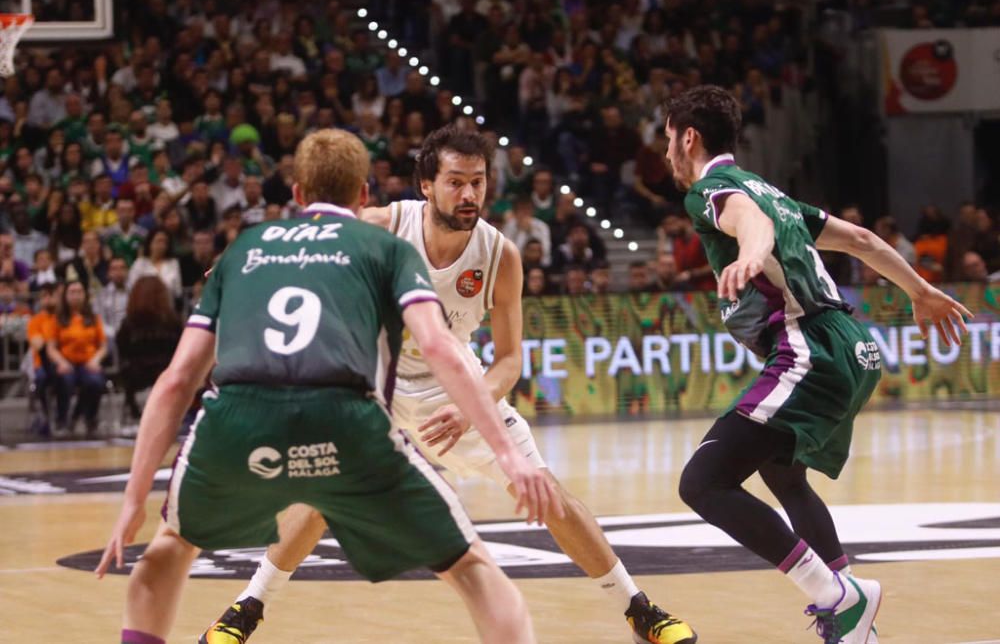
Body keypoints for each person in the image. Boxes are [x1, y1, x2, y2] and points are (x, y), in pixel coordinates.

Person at [201, 125, 696, 644]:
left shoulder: (499, 255)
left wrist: (470, 408)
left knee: (547, 494)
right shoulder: (382, 226)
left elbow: (508, 361)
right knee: (323, 494)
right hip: (377, 386)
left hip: (454, 389)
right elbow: (309, 236)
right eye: (456, 182)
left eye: (477, 182)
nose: (468, 194)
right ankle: (244, 612)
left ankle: (640, 611)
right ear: (426, 186)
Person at [96, 128, 559, 644]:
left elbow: (176, 380)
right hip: (343, 418)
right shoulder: (386, 246)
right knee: (474, 571)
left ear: (296, 195)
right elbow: (440, 349)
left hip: (236, 419)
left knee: (166, 552)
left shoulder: (244, 249)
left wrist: (134, 498)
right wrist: (509, 453)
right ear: (364, 194)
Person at [663, 85, 970, 644]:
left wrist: (753, 251)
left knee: (703, 483)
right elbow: (858, 240)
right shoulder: (774, 192)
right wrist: (921, 291)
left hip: (810, 346)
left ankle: (839, 598)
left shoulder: (714, 189)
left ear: (688, 137)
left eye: (666, 140)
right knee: (784, 474)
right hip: (851, 345)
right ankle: (854, 625)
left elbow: (746, 219)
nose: (665, 154)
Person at [115, 276, 182, 432]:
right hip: (166, 374)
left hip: (136, 374)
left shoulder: (129, 322)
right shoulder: (173, 321)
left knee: (128, 373)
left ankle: (135, 414)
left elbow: (121, 348)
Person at [47, 280, 108, 438]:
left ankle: (89, 418)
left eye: (79, 291)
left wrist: (96, 360)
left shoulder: (94, 318)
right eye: (72, 292)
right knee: (65, 380)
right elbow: (51, 347)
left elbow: (103, 346)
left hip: (88, 362)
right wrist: (61, 362)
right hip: (67, 362)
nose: (76, 295)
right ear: (66, 296)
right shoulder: (58, 319)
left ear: (85, 295)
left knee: (94, 382)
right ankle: (62, 420)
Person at [26, 282, 59, 434]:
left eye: (51, 295)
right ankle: (45, 415)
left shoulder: (63, 319)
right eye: (44, 296)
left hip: (64, 363)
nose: (48, 300)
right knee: (41, 378)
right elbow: (38, 344)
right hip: (42, 364)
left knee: (76, 378)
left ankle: (67, 418)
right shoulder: (36, 320)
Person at [127, 228, 183, 302]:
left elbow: (178, 291)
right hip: (144, 306)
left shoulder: (173, 263)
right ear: (150, 243)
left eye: (165, 242)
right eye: (158, 241)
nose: (161, 245)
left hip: (167, 306)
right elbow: (131, 287)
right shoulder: (139, 263)